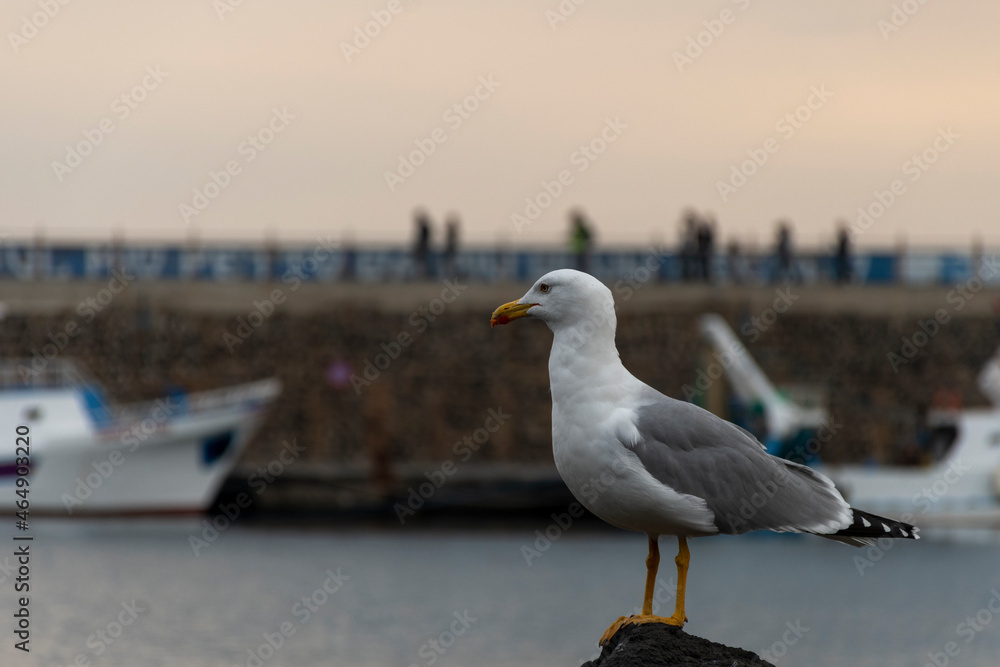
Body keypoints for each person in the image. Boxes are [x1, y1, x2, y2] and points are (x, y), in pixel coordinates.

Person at [412, 210, 433, 279]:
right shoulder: (424, 228)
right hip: (423, 249)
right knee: (421, 264)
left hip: (423, 249)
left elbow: (423, 240)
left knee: (422, 264)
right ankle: (422, 275)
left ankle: (423, 275)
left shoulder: (424, 229)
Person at [443, 214, 460, 279]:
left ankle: (452, 275)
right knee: (450, 264)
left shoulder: (452, 234)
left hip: (451, 250)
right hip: (450, 250)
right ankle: (450, 275)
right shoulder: (451, 234)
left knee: (451, 263)